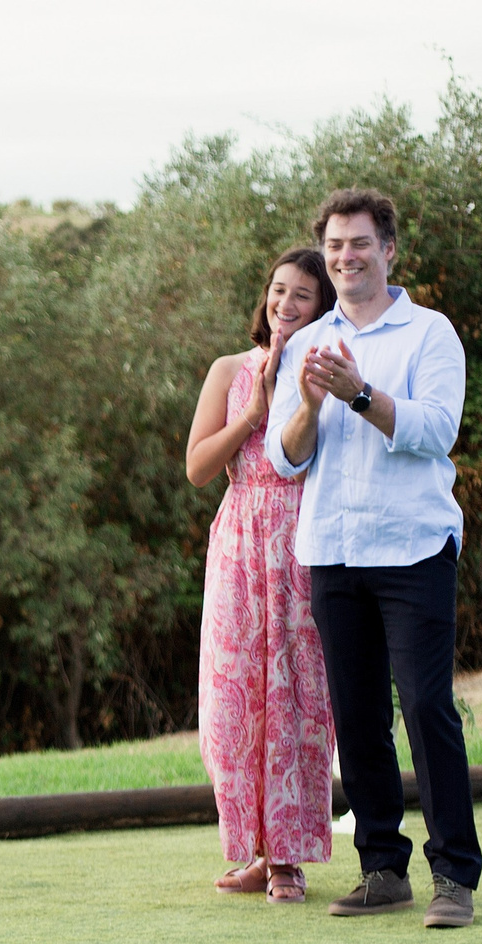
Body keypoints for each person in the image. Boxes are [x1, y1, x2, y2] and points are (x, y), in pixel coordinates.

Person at [269, 188, 481, 928]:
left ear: (389, 249)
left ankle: (455, 875)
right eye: (334, 247)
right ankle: (382, 868)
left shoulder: (429, 334)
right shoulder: (304, 343)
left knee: (425, 706)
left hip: (415, 546)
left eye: (359, 244)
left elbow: (435, 430)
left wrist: (360, 393)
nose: (346, 257)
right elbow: (286, 457)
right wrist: (310, 404)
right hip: (333, 549)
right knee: (356, 717)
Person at [186, 246, 338, 905]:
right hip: (239, 542)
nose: (284, 304)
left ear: (323, 307)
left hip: (303, 542)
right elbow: (197, 468)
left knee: (299, 701)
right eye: (278, 291)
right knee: (236, 700)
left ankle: (289, 859)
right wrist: (256, 406)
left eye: (301, 295)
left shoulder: (330, 371)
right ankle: (254, 850)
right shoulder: (230, 370)